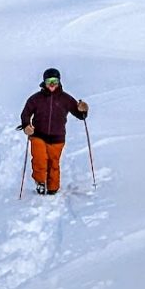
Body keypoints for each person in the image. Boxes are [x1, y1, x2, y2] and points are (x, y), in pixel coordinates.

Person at [18, 67, 90, 195]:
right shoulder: (35, 99)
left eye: (55, 81)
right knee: (39, 159)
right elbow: (25, 114)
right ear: (44, 82)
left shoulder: (66, 99)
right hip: (38, 135)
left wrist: (83, 109)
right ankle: (40, 182)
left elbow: (80, 115)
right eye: (49, 81)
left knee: (53, 163)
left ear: (59, 82)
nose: (52, 84)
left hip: (57, 137)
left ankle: (53, 187)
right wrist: (26, 126)